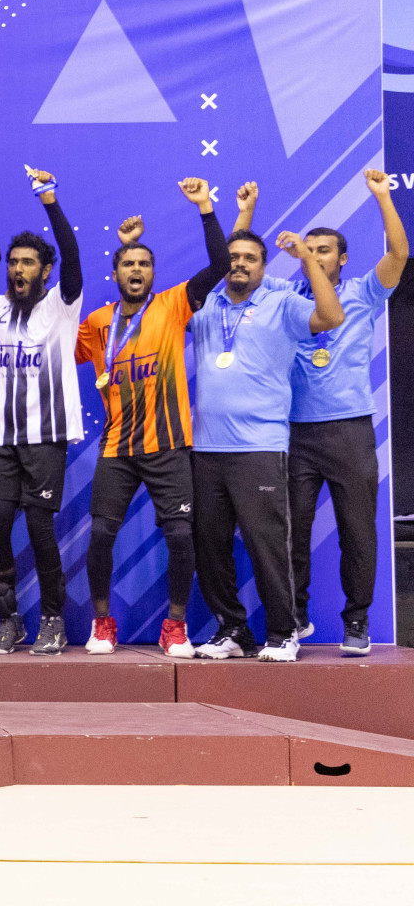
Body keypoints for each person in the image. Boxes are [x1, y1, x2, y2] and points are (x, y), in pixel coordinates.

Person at [237, 171, 405, 656]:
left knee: (357, 531)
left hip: (349, 431)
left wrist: (383, 197)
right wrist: (246, 212)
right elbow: (240, 264)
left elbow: (397, 255)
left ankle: (357, 622)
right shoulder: (284, 299)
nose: (314, 256)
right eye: (308, 250)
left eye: (324, 250)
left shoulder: (362, 294)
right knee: (290, 532)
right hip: (293, 434)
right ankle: (296, 617)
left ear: (343, 259)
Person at [74, 178, 229, 657]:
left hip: (168, 446)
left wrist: (205, 208)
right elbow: (64, 354)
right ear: (116, 273)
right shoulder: (99, 324)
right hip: (118, 447)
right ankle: (103, 624)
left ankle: (175, 626)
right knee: (100, 535)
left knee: (181, 536)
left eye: (144, 264)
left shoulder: (173, 304)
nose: (136, 270)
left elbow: (220, 265)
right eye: (128, 263)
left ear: (153, 275)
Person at [188, 218, 344, 662]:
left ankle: (284, 631)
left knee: (266, 544)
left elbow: (331, 316)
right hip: (206, 449)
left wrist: (308, 260)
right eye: (233, 258)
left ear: (264, 267)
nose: (239, 264)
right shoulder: (204, 306)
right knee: (210, 546)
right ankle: (233, 629)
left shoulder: (281, 303)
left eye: (250, 259)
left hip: (259, 446)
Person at [0, 167, 84, 655]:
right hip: (2, 442)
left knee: (38, 528)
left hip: (46, 437)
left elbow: (72, 257)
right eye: (13, 262)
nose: (17, 269)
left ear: (45, 271)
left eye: (28, 263)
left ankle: (52, 618)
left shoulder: (61, 304)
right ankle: (8, 619)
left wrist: (49, 199)